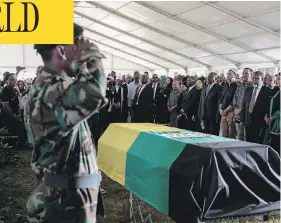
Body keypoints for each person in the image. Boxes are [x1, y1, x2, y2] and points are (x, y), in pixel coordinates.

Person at [24, 24, 107, 223]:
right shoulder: (51, 91)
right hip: (64, 205)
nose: (78, 51)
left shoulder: (48, 88)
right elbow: (95, 92)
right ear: (62, 49)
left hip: (64, 197)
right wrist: (91, 51)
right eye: (76, 45)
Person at [240, 71, 272, 144]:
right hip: (248, 120)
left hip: (260, 122)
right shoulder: (248, 89)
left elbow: (268, 107)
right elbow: (243, 105)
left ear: (262, 79)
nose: (255, 80)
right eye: (253, 78)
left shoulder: (268, 91)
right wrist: (242, 119)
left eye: (257, 78)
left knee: (258, 142)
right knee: (248, 142)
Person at [0, 73, 26, 146]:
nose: (13, 81)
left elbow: (17, 103)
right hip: (7, 115)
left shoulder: (14, 90)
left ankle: (21, 143)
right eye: (11, 80)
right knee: (9, 133)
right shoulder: (5, 91)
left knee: (21, 128)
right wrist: (14, 116)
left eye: (14, 79)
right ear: (6, 81)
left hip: (15, 114)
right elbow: (6, 107)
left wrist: (19, 114)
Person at [232, 68, 252, 140]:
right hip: (237, 115)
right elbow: (235, 98)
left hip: (247, 115)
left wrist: (240, 109)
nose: (244, 75)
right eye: (243, 73)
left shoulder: (252, 87)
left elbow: (249, 102)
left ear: (251, 75)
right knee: (240, 135)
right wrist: (235, 109)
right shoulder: (239, 86)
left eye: (246, 73)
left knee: (247, 137)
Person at [263, 73, 280, 154]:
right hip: (271, 121)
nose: (277, 81)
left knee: (276, 147)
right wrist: (267, 116)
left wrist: (272, 118)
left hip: (278, 124)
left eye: (279, 79)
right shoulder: (276, 90)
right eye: (277, 78)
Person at [218, 69, 237, 139]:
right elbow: (221, 98)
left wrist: (225, 110)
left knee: (231, 134)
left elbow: (234, 101)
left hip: (231, 112)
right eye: (227, 74)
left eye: (230, 74)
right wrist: (220, 109)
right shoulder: (225, 85)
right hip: (223, 112)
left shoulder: (236, 86)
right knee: (224, 133)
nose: (228, 75)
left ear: (234, 75)